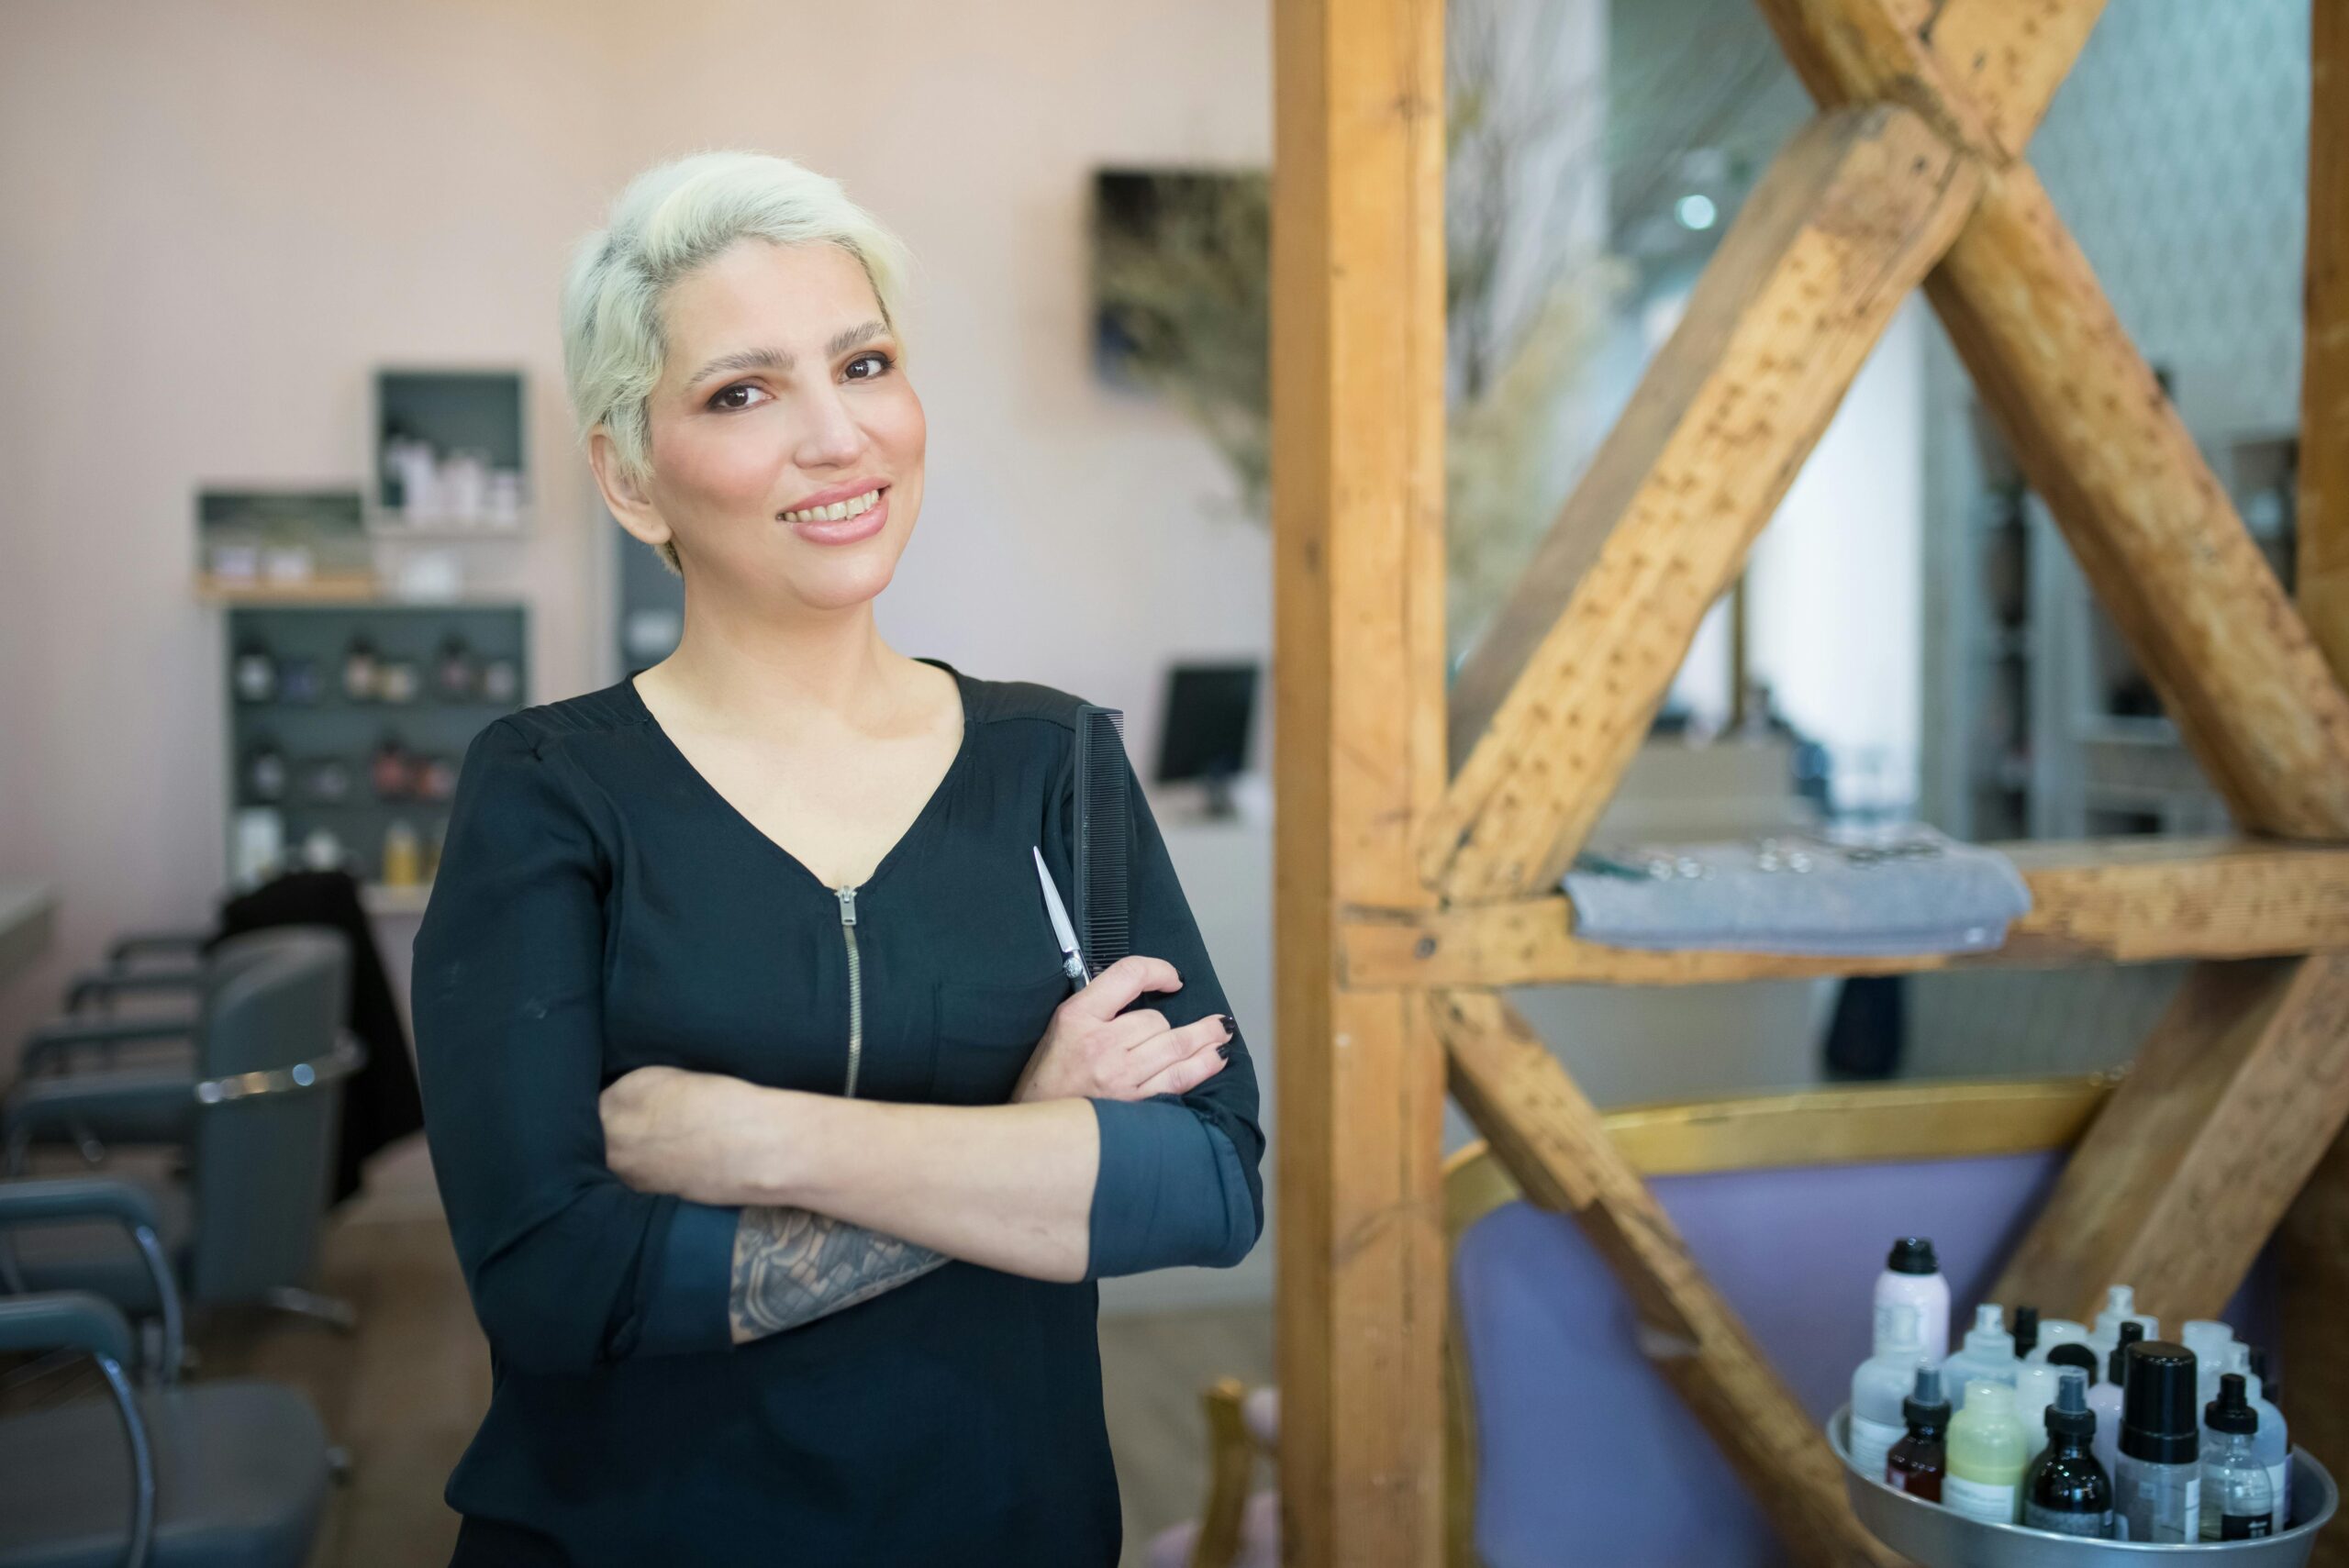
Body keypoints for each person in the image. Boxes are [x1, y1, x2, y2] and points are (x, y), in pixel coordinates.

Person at [410, 150, 1263, 1567]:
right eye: (742, 392)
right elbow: (560, 1281)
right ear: (633, 480)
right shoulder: (551, 790)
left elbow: (1209, 1183)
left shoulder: (1054, 764)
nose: (837, 436)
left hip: (1008, 1524)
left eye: (863, 363)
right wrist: (1032, 1144)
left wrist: (772, 1140)